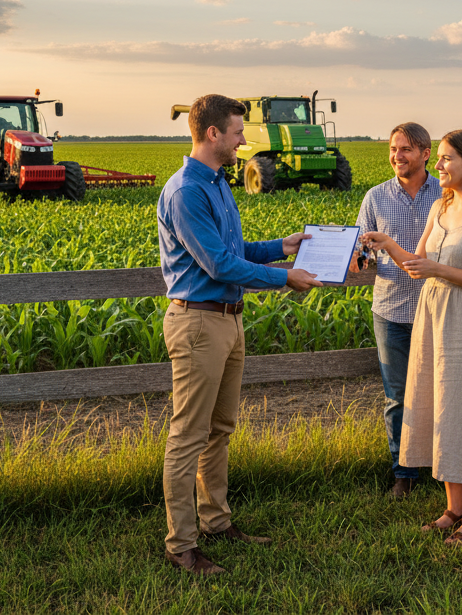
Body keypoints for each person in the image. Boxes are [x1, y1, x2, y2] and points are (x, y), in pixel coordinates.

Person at [156, 94, 322, 576]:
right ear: (212, 134)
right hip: (199, 323)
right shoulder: (187, 190)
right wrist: (285, 276)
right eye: (236, 132)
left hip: (227, 319)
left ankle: (216, 521)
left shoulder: (217, 183)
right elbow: (218, 264)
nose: (243, 139)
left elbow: (235, 248)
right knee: (188, 435)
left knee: (220, 429)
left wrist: (279, 247)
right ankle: (181, 544)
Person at [361, 129, 462, 546]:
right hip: (434, 317)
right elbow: (417, 263)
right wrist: (387, 243)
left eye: (446, 159)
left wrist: (440, 272)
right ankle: (453, 508)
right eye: (440, 158)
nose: (439, 166)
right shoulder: (442, 207)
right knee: (439, 406)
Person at [353, 122, 441, 499]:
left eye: (405, 149)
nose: (396, 156)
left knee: (441, 390)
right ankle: (403, 472)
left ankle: (443, 465)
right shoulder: (375, 197)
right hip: (390, 309)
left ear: (425, 153)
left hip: (438, 307)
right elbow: (361, 252)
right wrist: (361, 257)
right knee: (397, 396)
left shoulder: (447, 192)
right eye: (393, 148)